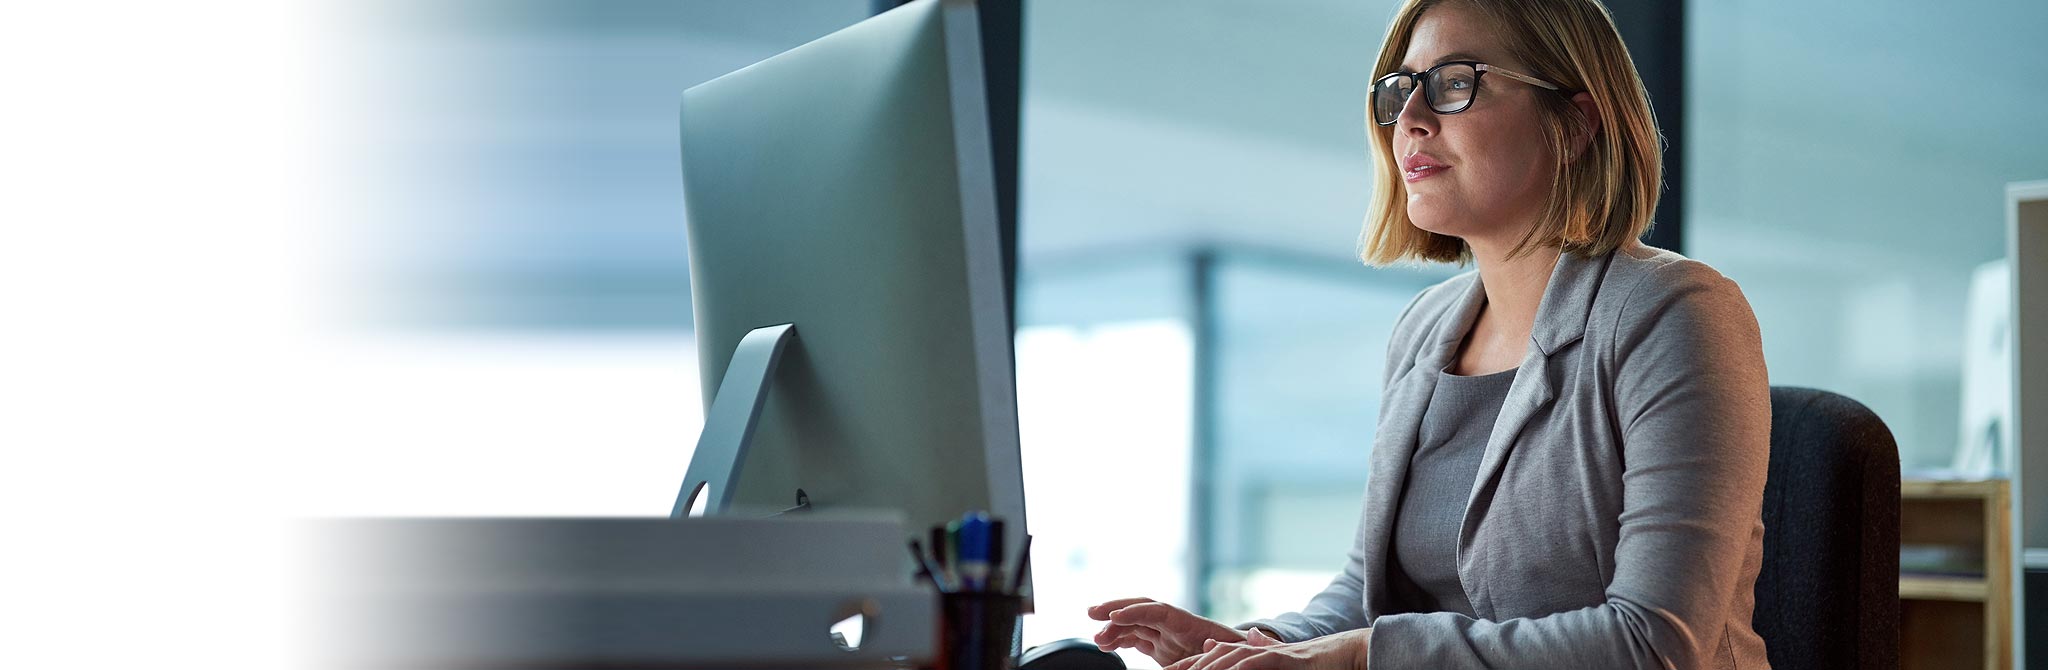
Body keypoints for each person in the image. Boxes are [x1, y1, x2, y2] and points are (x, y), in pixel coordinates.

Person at [1087, 0, 1773, 668]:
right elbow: (1364, 598)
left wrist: (1362, 658)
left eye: (1454, 85)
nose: (1408, 120)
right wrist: (1249, 645)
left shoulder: (1675, 313)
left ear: (1575, 121)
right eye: (1400, 90)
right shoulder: (1424, 331)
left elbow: (1652, 645)